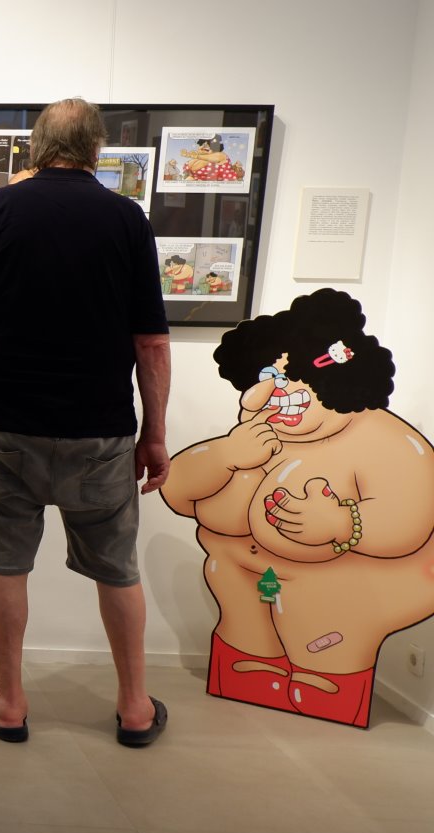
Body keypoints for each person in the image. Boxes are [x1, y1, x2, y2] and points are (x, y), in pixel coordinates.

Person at [0, 98, 172, 748]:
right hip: (100, 430)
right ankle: (134, 708)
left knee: (6, 567)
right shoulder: (126, 218)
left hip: (5, 426)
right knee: (118, 569)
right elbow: (151, 343)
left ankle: (9, 705)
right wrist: (155, 433)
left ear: (36, 146)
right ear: (97, 149)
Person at [161, 289, 434, 727]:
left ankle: (324, 695)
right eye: (268, 375)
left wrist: (344, 522)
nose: (278, 389)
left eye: (290, 376)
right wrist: (225, 455)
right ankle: (254, 679)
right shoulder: (255, 433)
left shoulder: (382, 439)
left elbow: (410, 517)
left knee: (322, 654)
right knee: (249, 647)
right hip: (241, 590)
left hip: (340, 603)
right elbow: (176, 487)